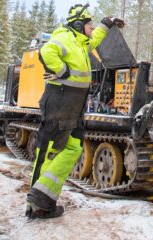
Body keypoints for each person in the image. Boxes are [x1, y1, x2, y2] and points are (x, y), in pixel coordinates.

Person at [25, 4, 125, 220]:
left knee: (73, 148)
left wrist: (106, 24)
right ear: (78, 25)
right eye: (88, 26)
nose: (91, 30)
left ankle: (44, 195)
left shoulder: (81, 42)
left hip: (74, 104)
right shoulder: (64, 37)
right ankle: (36, 204)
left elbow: (95, 38)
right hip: (60, 100)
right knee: (48, 151)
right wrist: (62, 71)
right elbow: (46, 51)